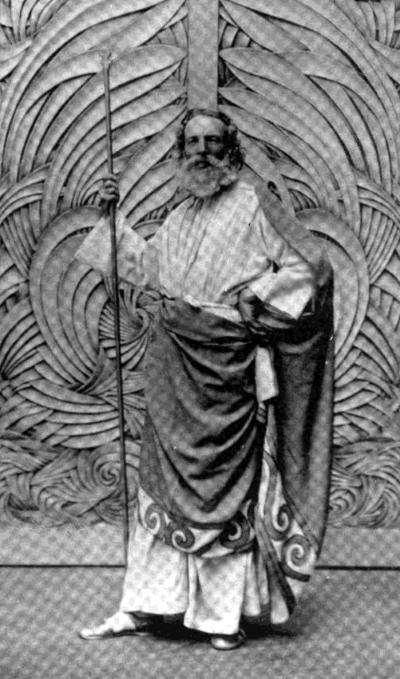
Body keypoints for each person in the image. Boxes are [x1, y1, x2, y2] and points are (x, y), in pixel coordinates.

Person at [77, 109, 333, 650]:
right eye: (192, 143)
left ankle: (220, 617)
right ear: (180, 153)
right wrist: (111, 221)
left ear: (231, 150)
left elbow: (310, 267)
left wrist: (254, 300)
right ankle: (145, 605)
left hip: (226, 371)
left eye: (212, 142)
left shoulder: (254, 201)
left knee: (225, 490)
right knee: (161, 484)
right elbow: (151, 271)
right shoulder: (180, 216)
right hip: (174, 367)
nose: (201, 152)